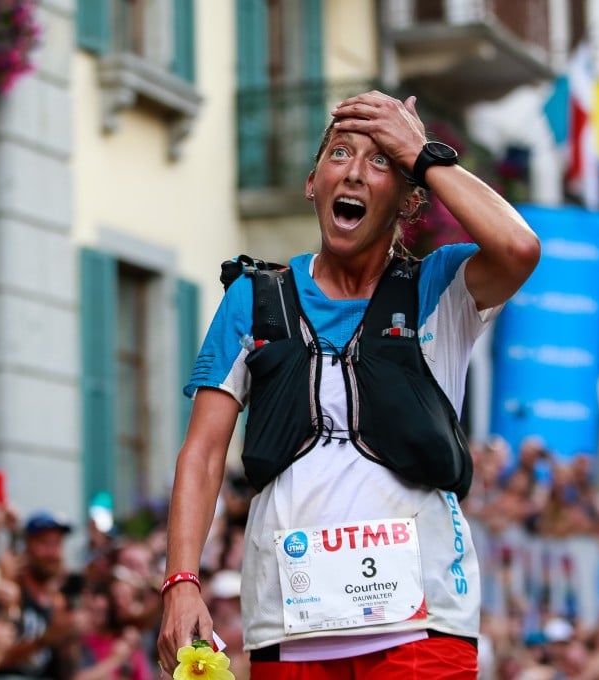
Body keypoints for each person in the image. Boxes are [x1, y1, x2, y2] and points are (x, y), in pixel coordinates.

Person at [157, 90, 541, 679]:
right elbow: (204, 453)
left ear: (413, 197)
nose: (356, 172)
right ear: (314, 183)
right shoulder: (252, 301)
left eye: (381, 160)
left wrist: (420, 151)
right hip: (291, 625)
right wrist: (182, 580)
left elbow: (518, 247)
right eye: (340, 154)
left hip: (423, 622)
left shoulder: (441, 288)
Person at [0, 510, 81, 678]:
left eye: (57, 544)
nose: (52, 553)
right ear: (27, 545)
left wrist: (70, 643)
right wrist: (44, 640)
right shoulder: (11, 591)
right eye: (44, 543)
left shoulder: (59, 602)